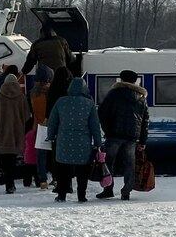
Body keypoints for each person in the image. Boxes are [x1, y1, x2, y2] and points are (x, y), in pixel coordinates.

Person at [45, 77, 102, 202]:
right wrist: (98, 142)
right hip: (83, 143)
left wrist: (50, 136)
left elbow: (52, 122)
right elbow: (95, 126)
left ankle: (61, 195)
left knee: (62, 170)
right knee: (82, 172)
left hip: (63, 142)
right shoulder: (89, 104)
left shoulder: (61, 102)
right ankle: (81, 196)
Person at [96, 69, 149, 200]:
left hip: (114, 134)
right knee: (130, 164)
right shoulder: (141, 98)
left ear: (121, 79)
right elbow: (145, 121)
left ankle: (108, 189)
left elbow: (102, 112)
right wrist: (142, 141)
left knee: (108, 162)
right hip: (132, 137)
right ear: (135, 81)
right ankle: (126, 192)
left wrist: (107, 128)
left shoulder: (114, 94)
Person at [0, 74, 32, 194]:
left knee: (5, 161)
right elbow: (27, 117)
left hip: (2, 137)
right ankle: (11, 183)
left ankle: (9, 184)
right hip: (17, 136)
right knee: (12, 161)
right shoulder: (22, 98)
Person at [28, 64, 54, 189]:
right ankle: (55, 178)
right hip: (50, 125)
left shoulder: (32, 92)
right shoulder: (49, 91)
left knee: (41, 155)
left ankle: (42, 180)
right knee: (54, 153)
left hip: (37, 126)